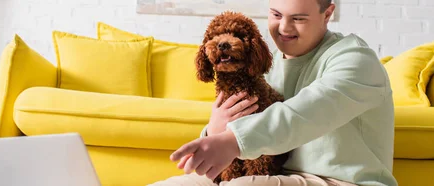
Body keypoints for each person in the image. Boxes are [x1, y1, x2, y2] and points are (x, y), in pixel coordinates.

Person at [150, 0, 398, 185]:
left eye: (299, 18)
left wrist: (233, 140)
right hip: (273, 174)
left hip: (340, 181)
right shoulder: (263, 64)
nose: (284, 27)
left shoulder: (356, 59)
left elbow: (309, 110)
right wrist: (214, 130)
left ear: (328, 13)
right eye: (276, 14)